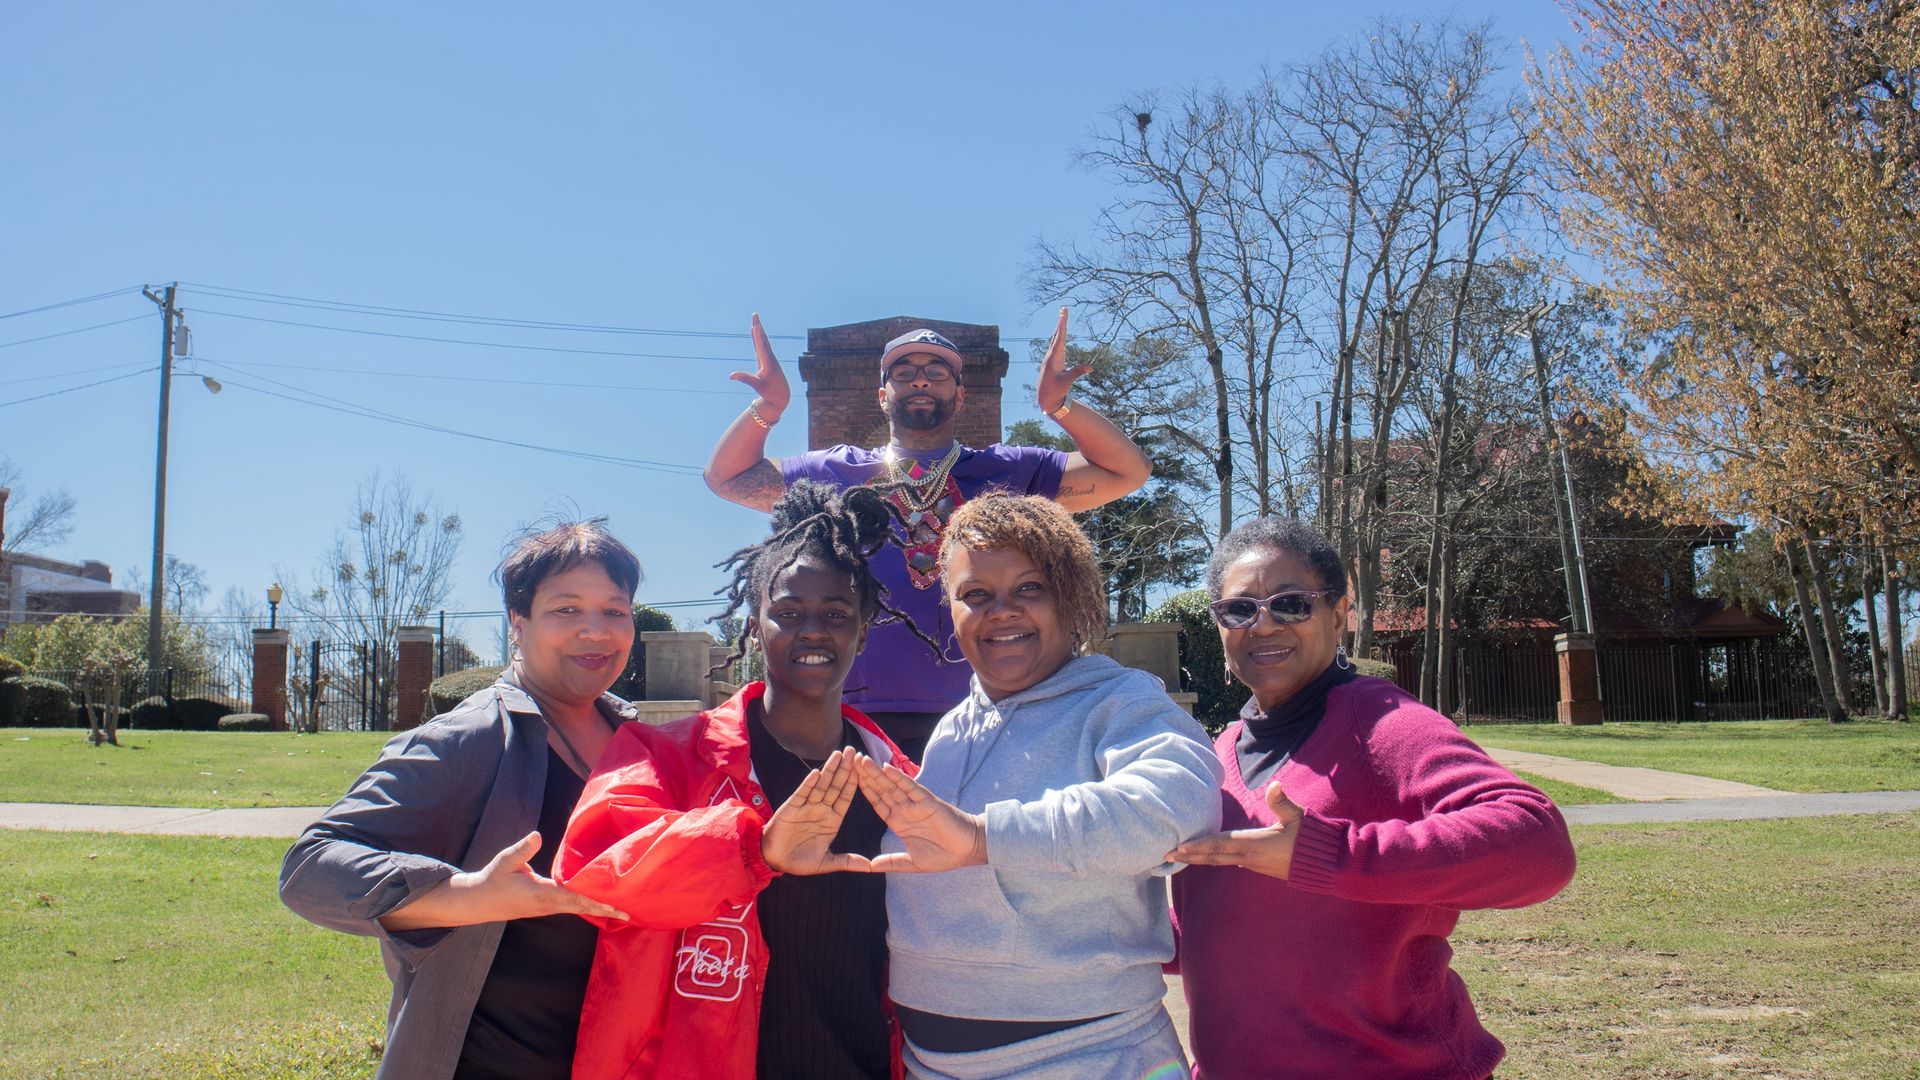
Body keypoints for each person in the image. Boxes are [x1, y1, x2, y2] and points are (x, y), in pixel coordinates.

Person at [1166, 517, 1579, 1080]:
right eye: (1239, 610)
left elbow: (1539, 845)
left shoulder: (1381, 724)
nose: (1263, 626)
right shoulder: (1220, 753)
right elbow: (1222, 920)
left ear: (1338, 614)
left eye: (1290, 604)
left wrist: (1329, 854)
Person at [552, 481, 928, 1080]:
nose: (812, 630)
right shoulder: (664, 754)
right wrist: (757, 849)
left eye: (836, 614)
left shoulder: (899, 780)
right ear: (755, 626)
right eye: (788, 613)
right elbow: (594, 873)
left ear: (862, 630)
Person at [846, 492, 1223, 1079]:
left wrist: (982, 837)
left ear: (1071, 599)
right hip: (931, 1064)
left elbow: (1177, 806)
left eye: (1030, 588)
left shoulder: (1120, 703)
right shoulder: (951, 731)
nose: (1002, 611)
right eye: (976, 595)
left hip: (1094, 1057)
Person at [280, 521, 643, 1080]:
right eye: (566, 610)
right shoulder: (470, 739)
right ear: (517, 625)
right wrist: (469, 895)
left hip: (624, 1055)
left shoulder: (639, 742)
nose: (595, 631)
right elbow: (310, 868)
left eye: (614, 611)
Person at [703, 309, 1153, 760]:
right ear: (883, 395)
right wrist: (768, 410)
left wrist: (1060, 406)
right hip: (852, 717)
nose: (921, 380)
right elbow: (727, 477)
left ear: (959, 397)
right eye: (904, 372)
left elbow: (1127, 471)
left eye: (937, 372)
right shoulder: (835, 471)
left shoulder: (1008, 470)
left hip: (988, 711)